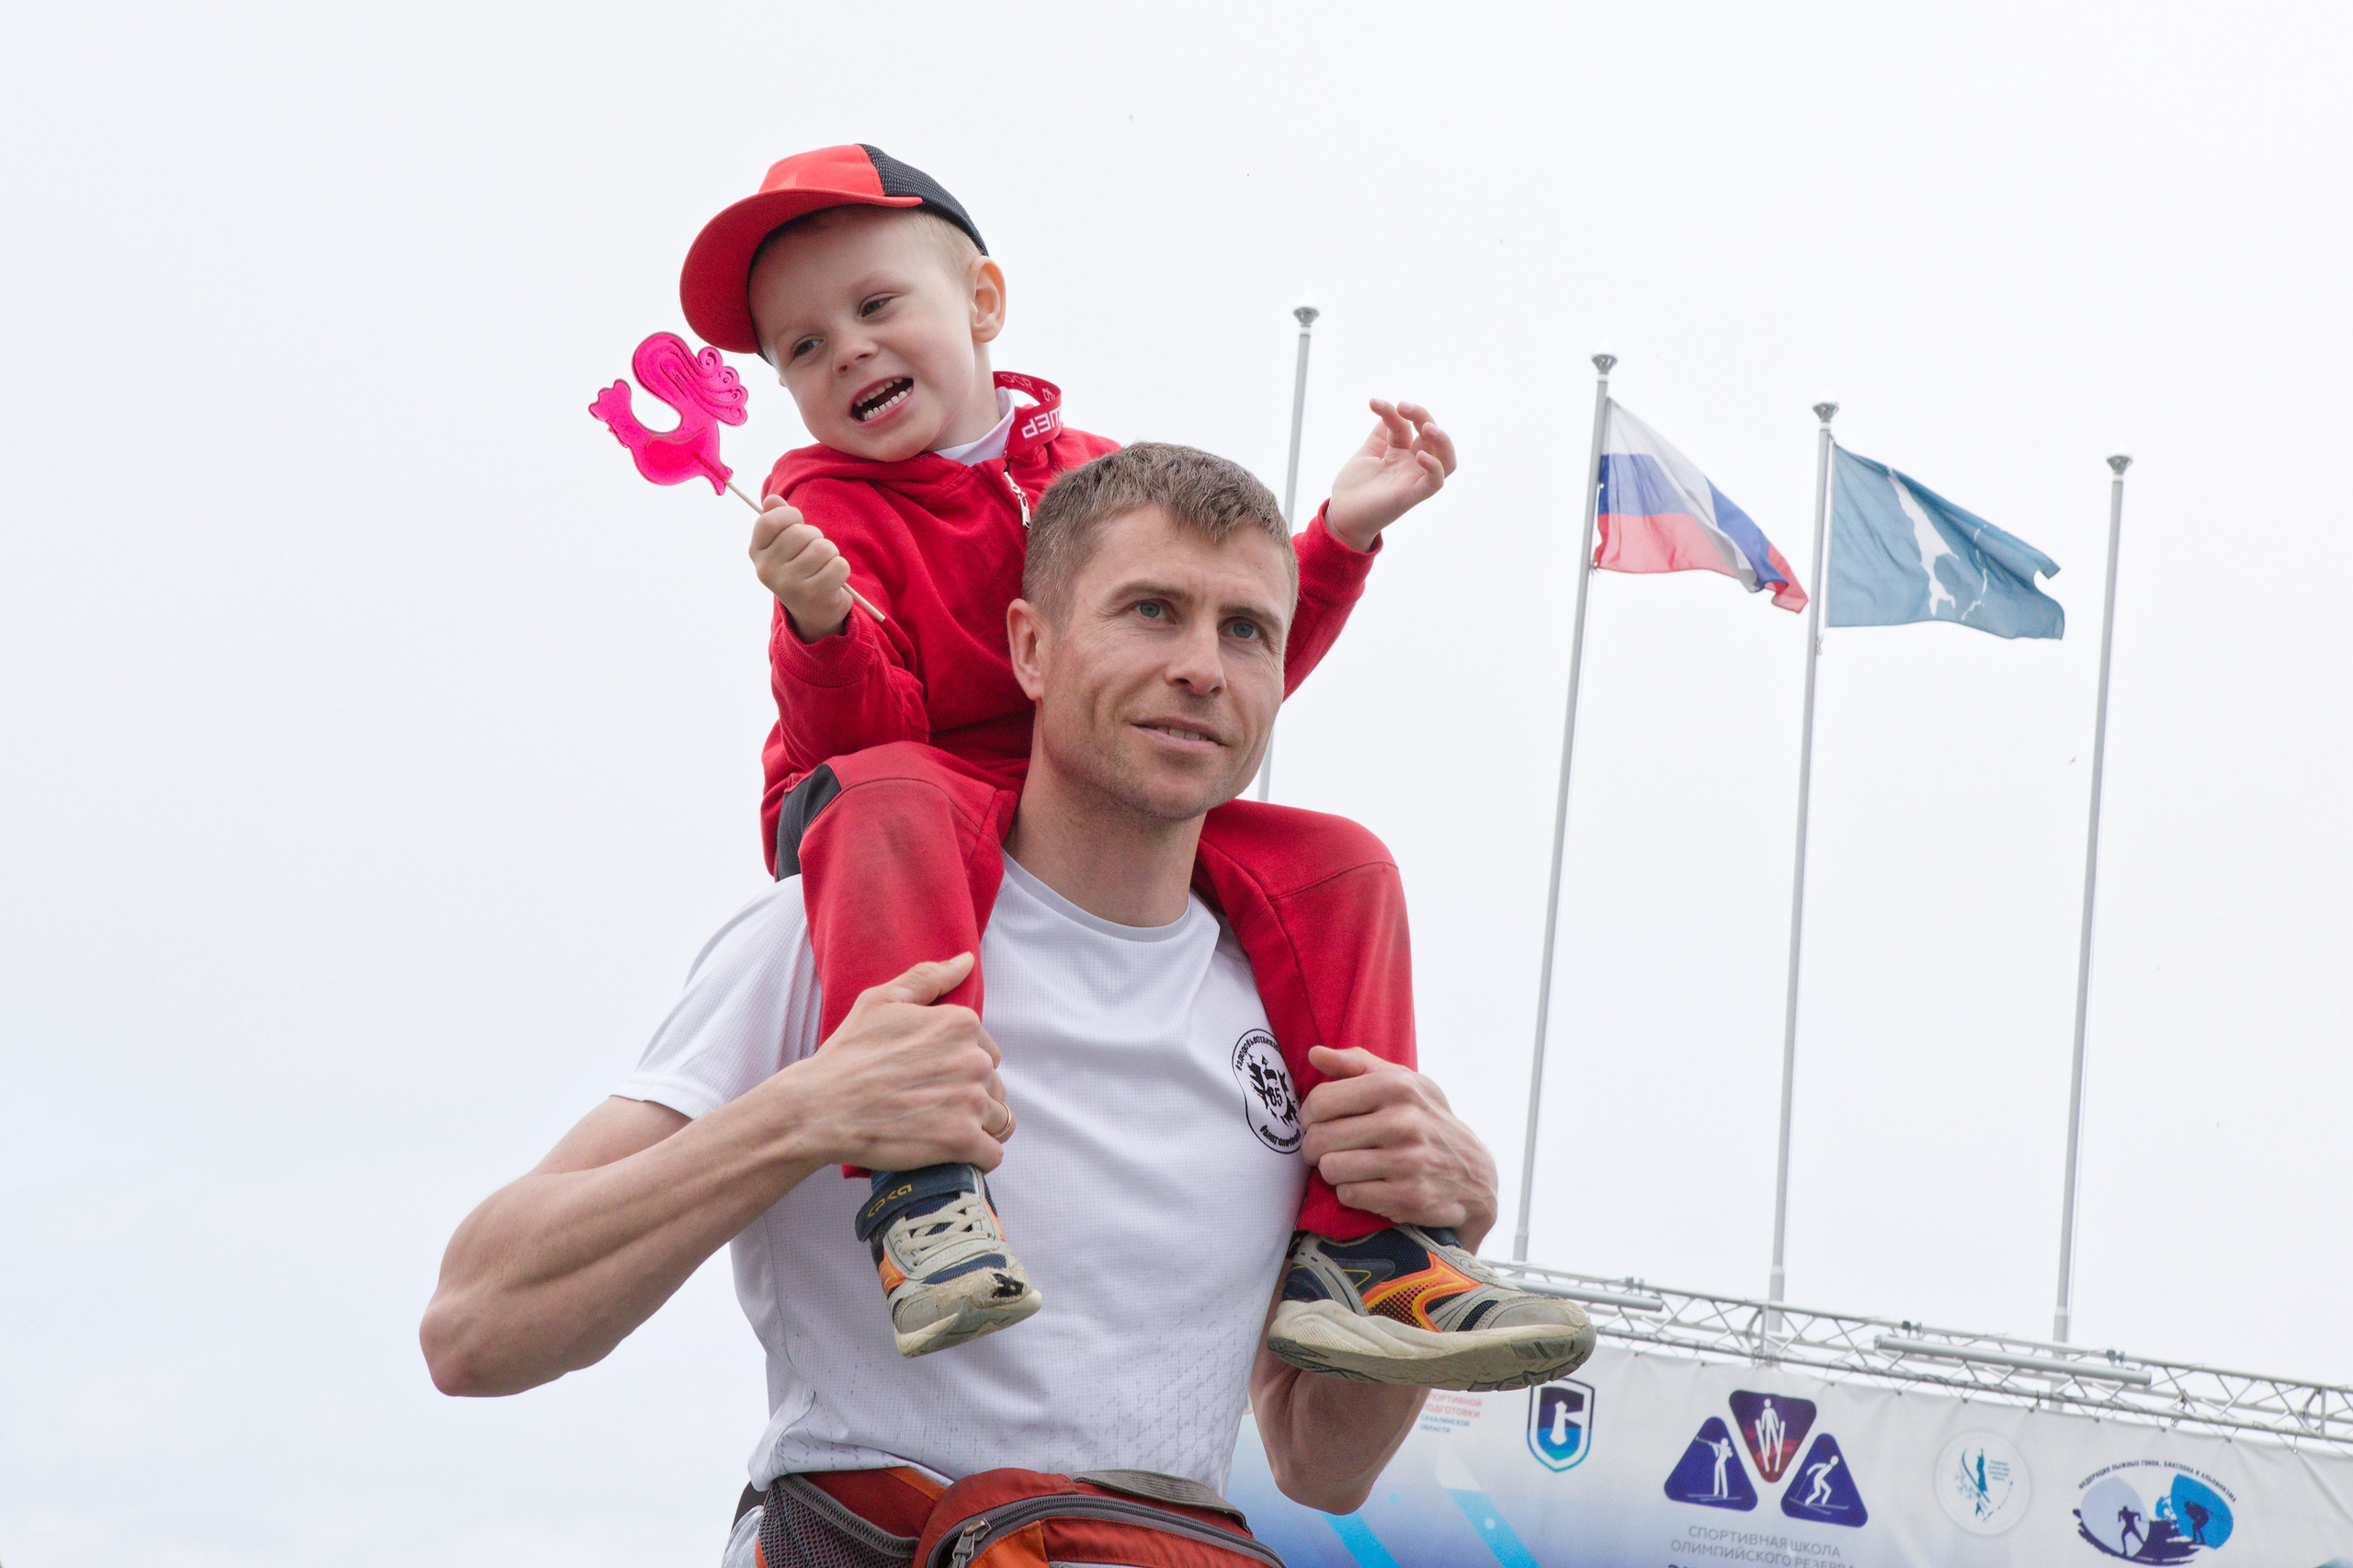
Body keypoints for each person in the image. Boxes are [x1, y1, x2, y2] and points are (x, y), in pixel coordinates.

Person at [419, 446, 1593, 1560]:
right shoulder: (829, 937)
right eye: (1151, 610)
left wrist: (1449, 1221)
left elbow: (1321, 1463)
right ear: (1030, 648)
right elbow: (474, 1327)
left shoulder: (1292, 991)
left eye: (1246, 630)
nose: (1202, 665)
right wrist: (805, 1113)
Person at [670, 142, 1585, 1388]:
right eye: (802, 349)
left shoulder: (1090, 474)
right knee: (893, 792)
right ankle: (924, 1188)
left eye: (877, 307)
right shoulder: (819, 501)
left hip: (1069, 779)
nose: (849, 354)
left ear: (982, 304)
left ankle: (1367, 1245)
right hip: (899, 785)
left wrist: (1341, 536)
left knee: (1339, 860)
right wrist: (820, 623)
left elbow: (1206, 674)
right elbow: (868, 735)